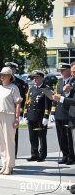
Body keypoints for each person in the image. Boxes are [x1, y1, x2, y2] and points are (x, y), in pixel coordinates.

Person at [0, 67, 22, 175]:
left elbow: (18, 103)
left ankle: (10, 166)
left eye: (4, 75)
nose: (2, 76)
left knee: (9, 141)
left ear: (10, 76)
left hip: (9, 116)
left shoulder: (14, 88)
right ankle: (4, 164)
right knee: (1, 142)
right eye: (1, 75)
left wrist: (16, 119)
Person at [52, 61, 75, 194]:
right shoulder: (69, 82)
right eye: (72, 72)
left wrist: (61, 98)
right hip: (72, 118)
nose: (72, 75)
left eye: (74, 72)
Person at [24, 70, 52, 162]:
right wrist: (25, 114)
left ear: (42, 78)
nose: (35, 80)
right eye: (34, 78)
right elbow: (27, 103)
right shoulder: (31, 89)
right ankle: (34, 154)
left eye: (37, 78)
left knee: (42, 137)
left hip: (40, 117)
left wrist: (46, 117)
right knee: (32, 137)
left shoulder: (46, 89)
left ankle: (42, 155)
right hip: (31, 116)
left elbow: (48, 104)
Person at [5, 61, 28, 157]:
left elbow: (22, 99)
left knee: (14, 133)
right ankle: (6, 152)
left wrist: (21, 114)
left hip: (15, 111)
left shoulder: (20, 83)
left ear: (14, 70)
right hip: (5, 110)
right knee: (5, 133)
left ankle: (13, 153)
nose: (10, 71)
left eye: (12, 69)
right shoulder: (3, 82)